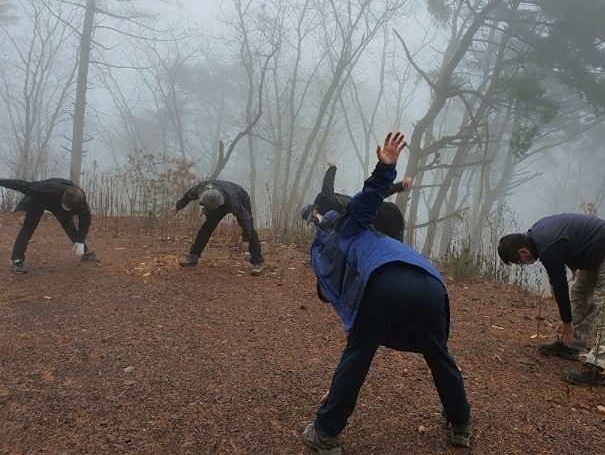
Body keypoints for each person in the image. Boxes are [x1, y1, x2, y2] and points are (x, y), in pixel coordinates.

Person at [299, 132, 472, 454]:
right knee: (438, 354)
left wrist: (385, 169)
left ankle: (324, 432)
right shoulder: (382, 239)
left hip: (387, 282)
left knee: (360, 352)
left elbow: (367, 199)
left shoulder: (351, 228)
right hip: (431, 283)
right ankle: (460, 423)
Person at [497, 213, 605, 385]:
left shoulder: (547, 247)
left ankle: (597, 368)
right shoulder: (538, 232)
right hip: (595, 254)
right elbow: (569, 238)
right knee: (579, 293)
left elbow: (559, 285)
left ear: (523, 252)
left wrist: (566, 321)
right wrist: (574, 263)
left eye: (521, 262)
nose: (524, 265)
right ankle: (571, 345)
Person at [0, 178, 99, 274]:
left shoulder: (81, 202)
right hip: (40, 200)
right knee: (28, 227)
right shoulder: (45, 190)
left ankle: (85, 252)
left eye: (68, 208)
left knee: (69, 225)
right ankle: (17, 260)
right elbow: (20, 184)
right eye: (65, 206)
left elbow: (85, 222)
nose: (65, 209)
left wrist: (80, 241)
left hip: (60, 204)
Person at [170, 180, 264, 275]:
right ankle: (193, 256)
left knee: (249, 227)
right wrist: (178, 206)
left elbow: (246, 219)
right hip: (217, 203)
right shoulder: (200, 189)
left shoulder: (232, 201)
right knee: (206, 228)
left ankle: (257, 262)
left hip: (239, 197)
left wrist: (246, 239)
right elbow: (188, 196)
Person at [311, 161, 411, 242]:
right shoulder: (327, 224)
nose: (314, 219)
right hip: (369, 222)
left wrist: (332, 168)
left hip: (389, 214)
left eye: (312, 216)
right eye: (312, 220)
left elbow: (327, 184)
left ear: (314, 209)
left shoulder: (325, 199)